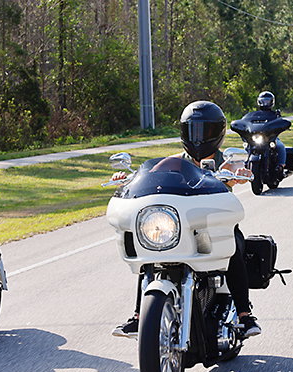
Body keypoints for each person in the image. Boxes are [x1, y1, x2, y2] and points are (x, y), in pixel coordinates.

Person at [111, 101, 262, 339]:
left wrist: (241, 174)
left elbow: (239, 170)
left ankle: (244, 315)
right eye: (193, 130)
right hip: (182, 227)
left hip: (214, 228)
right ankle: (140, 316)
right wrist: (127, 180)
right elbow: (151, 177)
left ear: (218, 133)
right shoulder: (174, 162)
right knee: (149, 254)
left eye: (206, 131)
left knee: (233, 248)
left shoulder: (227, 161)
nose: (199, 137)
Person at [252, 91, 288, 177]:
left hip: (272, 138)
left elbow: (281, 122)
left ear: (272, 102)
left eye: (267, 101)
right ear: (259, 102)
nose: (265, 103)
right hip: (259, 137)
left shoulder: (275, 115)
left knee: (280, 146)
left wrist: (283, 125)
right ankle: (247, 163)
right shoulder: (254, 114)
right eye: (263, 101)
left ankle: (281, 165)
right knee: (249, 146)